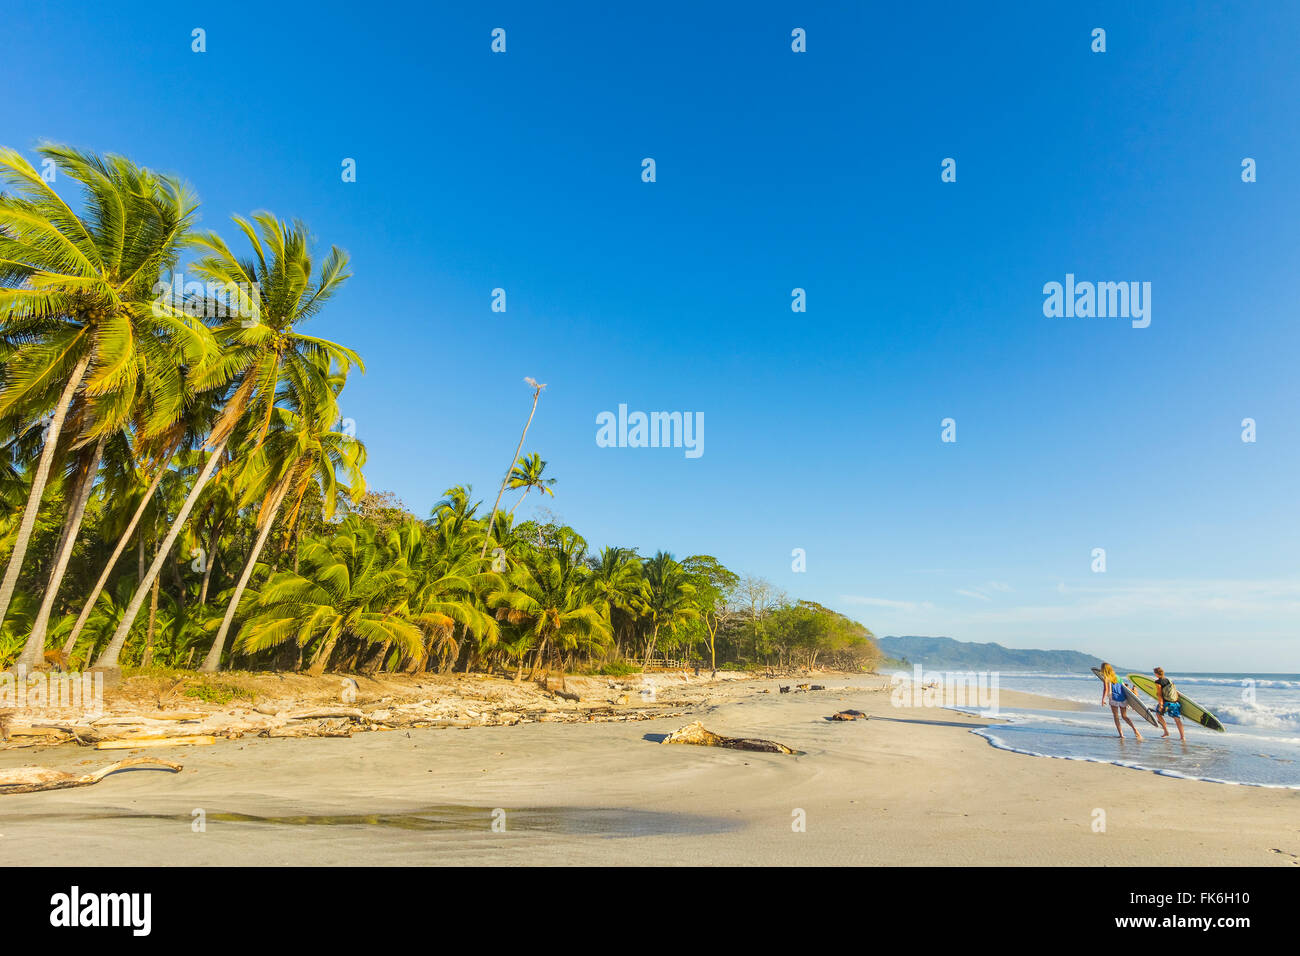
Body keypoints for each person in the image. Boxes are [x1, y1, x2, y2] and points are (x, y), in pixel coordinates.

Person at [1099, 663, 1142, 741]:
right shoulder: (1118, 677)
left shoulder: (1106, 678)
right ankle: (1135, 730)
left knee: (1116, 717)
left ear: (1104, 669)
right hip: (1122, 698)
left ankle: (1121, 735)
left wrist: (1103, 699)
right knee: (1124, 716)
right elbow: (1124, 687)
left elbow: (1106, 689)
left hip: (1113, 699)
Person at [1152, 666, 1186, 741]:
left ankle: (1166, 731)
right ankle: (1182, 737)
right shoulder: (1169, 680)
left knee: (1158, 714)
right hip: (1175, 703)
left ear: (1156, 674)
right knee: (1177, 719)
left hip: (1166, 703)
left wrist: (1161, 705)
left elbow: (1160, 695)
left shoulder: (1158, 682)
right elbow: (1175, 692)